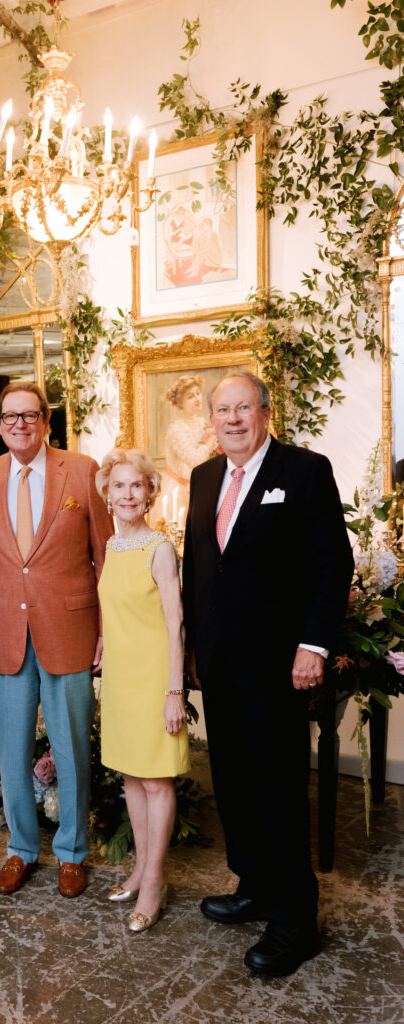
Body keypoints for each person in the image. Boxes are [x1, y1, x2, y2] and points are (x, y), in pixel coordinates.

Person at [182, 372, 354, 977]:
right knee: (232, 781)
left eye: (243, 408)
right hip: (220, 666)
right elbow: (199, 570)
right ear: (212, 419)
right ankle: (253, 884)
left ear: (265, 411)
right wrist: (190, 649)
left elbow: (332, 564)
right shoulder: (204, 477)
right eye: (222, 410)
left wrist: (313, 645)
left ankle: (295, 920)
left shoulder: (304, 471)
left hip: (281, 666)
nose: (232, 419)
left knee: (278, 789)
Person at [0, 382, 112, 898]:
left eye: (29, 415)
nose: (19, 425)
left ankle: (72, 853)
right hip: (9, 631)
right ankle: (20, 849)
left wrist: (105, 630)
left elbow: (106, 556)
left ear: (46, 420)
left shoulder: (81, 469)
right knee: (10, 750)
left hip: (70, 628)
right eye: (9, 417)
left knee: (71, 745)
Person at [95, 449, 189, 933]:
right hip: (121, 678)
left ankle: (154, 881)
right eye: (119, 486)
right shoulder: (113, 547)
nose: (128, 494)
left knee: (156, 781)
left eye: (137, 486)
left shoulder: (160, 548)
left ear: (150, 492)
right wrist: (104, 642)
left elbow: (175, 623)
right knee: (132, 779)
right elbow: (116, 609)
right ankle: (137, 868)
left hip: (154, 678)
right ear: (107, 494)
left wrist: (175, 691)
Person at [163, 375, 217, 519]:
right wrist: (212, 438)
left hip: (199, 487)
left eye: (198, 393)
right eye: (190, 396)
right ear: (180, 403)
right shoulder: (176, 429)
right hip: (180, 490)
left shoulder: (202, 423)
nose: (198, 398)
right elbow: (195, 460)